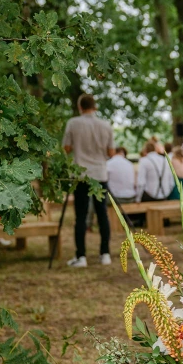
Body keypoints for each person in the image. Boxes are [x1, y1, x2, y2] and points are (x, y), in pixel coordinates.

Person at [63, 93, 114, 268]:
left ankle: (81, 256)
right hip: (100, 174)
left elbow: (67, 148)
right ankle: (105, 253)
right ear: (95, 106)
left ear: (80, 107)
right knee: (102, 215)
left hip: (81, 175)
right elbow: (111, 153)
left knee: (81, 216)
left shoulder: (73, 123)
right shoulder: (105, 125)